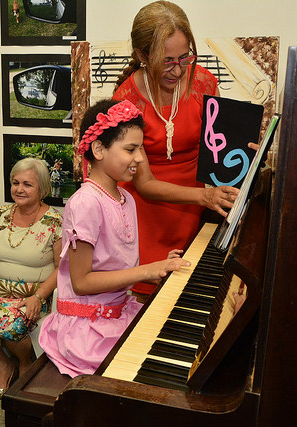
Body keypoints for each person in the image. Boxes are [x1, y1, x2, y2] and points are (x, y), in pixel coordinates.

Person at [39, 99, 190, 377]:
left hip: (117, 312)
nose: (140, 158)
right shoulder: (85, 202)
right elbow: (82, 282)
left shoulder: (126, 198)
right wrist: (146, 270)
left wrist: (156, 269)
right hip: (86, 331)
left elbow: (113, 267)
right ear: (98, 149)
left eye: (141, 149)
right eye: (130, 149)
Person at [113, 1, 239, 297]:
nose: (179, 70)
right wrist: (206, 196)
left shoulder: (204, 83)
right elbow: (144, 184)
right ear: (142, 56)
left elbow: (219, 153)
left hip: (193, 212)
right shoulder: (126, 100)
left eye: (185, 57)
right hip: (145, 216)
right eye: (167, 61)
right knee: (146, 304)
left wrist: (246, 156)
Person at [0, 157, 63, 402]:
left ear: (42, 189)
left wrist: (39, 297)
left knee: (13, 325)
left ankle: (26, 363)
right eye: (15, 183)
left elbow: (62, 267)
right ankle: (4, 365)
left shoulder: (54, 221)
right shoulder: (0, 214)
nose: (19, 189)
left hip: (33, 297)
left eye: (27, 184)